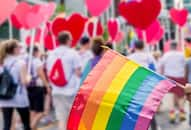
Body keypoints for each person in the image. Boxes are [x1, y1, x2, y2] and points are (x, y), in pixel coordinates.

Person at [46, 31, 81, 130]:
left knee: (62, 119)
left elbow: (49, 73)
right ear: (67, 40)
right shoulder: (73, 53)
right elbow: (78, 72)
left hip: (56, 91)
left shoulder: (51, 54)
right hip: (70, 91)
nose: (71, 41)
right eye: (70, 39)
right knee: (73, 118)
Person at [0, 40, 31, 130]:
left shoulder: (2, 62)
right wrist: (29, 77)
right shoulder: (20, 63)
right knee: (26, 124)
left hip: (4, 95)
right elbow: (24, 82)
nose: (20, 49)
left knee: (7, 124)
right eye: (18, 47)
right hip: (19, 96)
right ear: (14, 49)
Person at [128, 40, 157, 130]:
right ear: (143, 46)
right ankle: (154, 128)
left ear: (134, 47)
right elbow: (155, 71)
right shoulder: (149, 57)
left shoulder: (129, 58)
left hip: (134, 87)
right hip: (147, 86)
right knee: (149, 110)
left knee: (136, 110)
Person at [160, 41, 186, 123]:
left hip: (169, 77)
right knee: (181, 96)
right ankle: (182, 113)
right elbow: (185, 66)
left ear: (170, 47)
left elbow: (162, 67)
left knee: (171, 96)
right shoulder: (182, 55)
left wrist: (162, 77)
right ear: (177, 46)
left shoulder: (166, 55)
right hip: (180, 76)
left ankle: (172, 114)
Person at [26, 45, 51, 130]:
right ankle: (30, 127)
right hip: (37, 87)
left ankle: (32, 127)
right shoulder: (37, 61)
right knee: (40, 111)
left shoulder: (25, 60)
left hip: (28, 87)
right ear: (36, 52)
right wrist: (47, 85)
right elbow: (41, 74)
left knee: (32, 110)